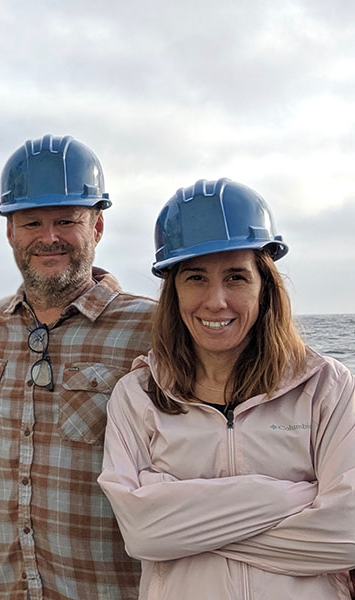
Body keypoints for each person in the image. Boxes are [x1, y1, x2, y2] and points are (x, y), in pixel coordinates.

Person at [98, 178, 355, 598]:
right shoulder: (139, 395)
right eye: (196, 277)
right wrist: (291, 497)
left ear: (264, 287)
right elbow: (143, 534)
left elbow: (348, 532)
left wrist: (184, 526)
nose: (216, 300)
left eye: (236, 277)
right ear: (174, 290)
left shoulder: (327, 387)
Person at [0, 134, 155, 600]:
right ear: (10, 232)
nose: (48, 237)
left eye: (66, 220)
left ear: (96, 228)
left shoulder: (153, 328)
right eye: (31, 222)